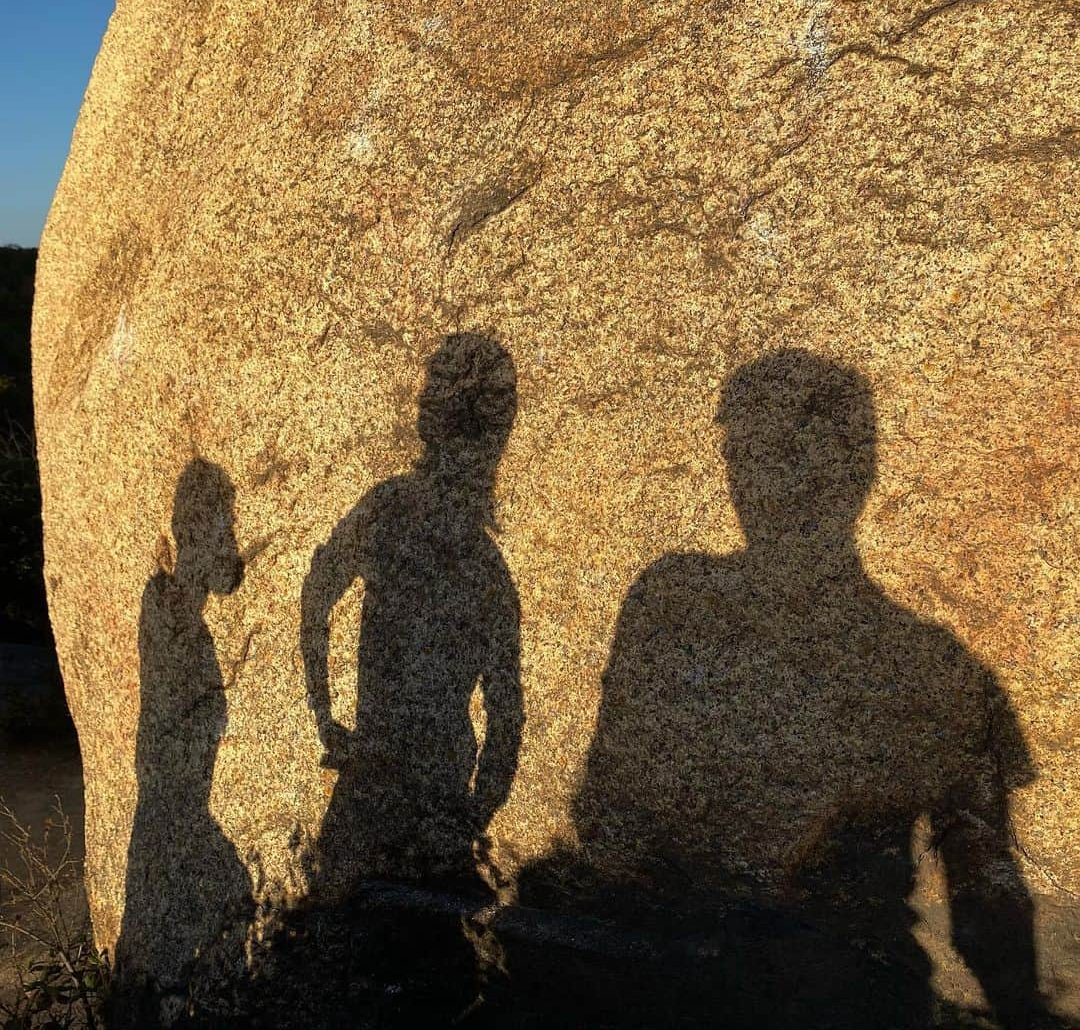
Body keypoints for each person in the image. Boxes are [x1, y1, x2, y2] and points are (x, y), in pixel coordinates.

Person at [565, 349, 1047, 1027]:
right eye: (745, 453)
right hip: (724, 986)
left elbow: (989, 902)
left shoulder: (941, 673)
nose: (766, 483)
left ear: (858, 469)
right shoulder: (673, 603)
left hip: (803, 992)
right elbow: (605, 814)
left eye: (789, 454)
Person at [300, 332, 524, 1020]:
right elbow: (508, 716)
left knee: (358, 956)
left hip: (381, 776)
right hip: (433, 788)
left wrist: (325, 714)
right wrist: (472, 811)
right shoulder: (487, 567)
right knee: (413, 964)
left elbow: (316, 595)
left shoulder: (391, 510)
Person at [116, 459, 252, 1026]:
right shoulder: (166, 605)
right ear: (189, 530)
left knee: (199, 925)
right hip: (172, 811)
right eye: (224, 526)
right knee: (222, 902)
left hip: (176, 812)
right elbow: (167, 728)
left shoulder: (179, 612)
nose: (232, 540)